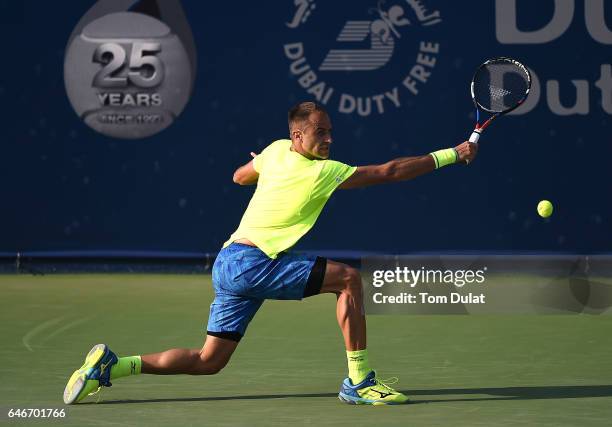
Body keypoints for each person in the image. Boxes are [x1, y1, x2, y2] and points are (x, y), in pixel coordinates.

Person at [63, 101, 478, 406]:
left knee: (210, 361)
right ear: (300, 135)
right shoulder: (323, 172)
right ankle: (360, 380)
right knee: (349, 279)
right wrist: (452, 155)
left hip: (227, 263)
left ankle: (113, 366)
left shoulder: (277, 150)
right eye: (321, 133)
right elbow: (388, 172)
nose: (330, 139)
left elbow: (239, 176)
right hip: (253, 263)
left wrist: (261, 165)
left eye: (331, 132)